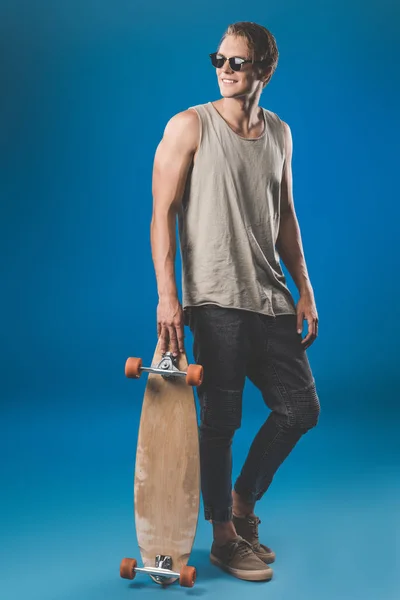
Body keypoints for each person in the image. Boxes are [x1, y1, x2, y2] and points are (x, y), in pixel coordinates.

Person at [150, 21, 320, 582]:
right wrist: (168, 297)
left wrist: (305, 288)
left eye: (237, 62)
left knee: (300, 409)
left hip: (270, 299)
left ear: (264, 70)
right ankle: (223, 535)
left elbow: (287, 217)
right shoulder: (189, 126)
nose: (224, 70)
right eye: (219, 59)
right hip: (216, 301)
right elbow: (162, 214)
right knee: (220, 421)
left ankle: (244, 504)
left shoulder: (280, 133)